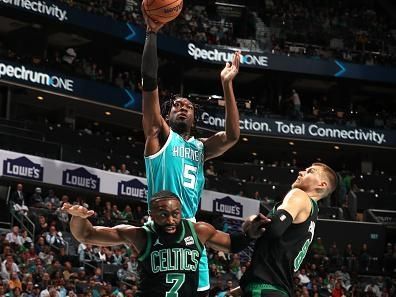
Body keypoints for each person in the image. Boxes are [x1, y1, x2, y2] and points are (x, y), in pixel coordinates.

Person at [140, 7, 241, 295]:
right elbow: (149, 84)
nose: (182, 108)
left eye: (188, 107)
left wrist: (227, 84)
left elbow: (233, 136)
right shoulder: (159, 136)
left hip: (192, 231)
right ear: (168, 114)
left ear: (195, 118)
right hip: (162, 229)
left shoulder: (200, 148)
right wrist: (151, 34)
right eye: (176, 106)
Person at [62, 191, 268, 297]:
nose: (170, 220)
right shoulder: (140, 235)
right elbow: (86, 235)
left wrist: (250, 234)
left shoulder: (199, 231)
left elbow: (233, 244)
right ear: (151, 215)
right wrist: (78, 217)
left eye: (175, 214)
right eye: (163, 215)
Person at [240, 162, 338, 297]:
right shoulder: (312, 215)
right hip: (279, 290)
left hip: (264, 288)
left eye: (310, 171)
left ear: (321, 185)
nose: (301, 172)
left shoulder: (299, 195)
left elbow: (274, 228)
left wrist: (251, 221)